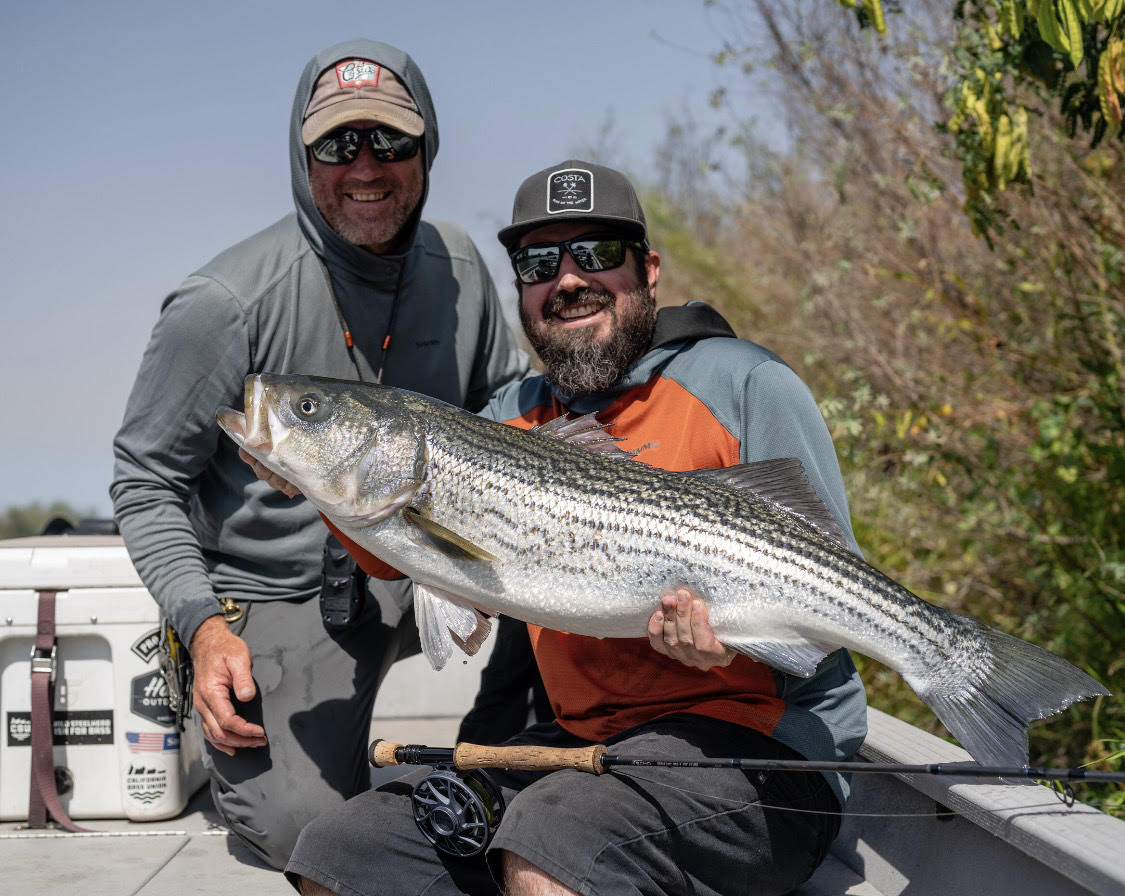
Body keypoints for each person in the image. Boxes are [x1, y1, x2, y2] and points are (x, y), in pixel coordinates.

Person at [282, 160, 869, 896]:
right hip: (583, 746)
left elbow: (831, 591)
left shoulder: (744, 381)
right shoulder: (506, 418)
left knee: (554, 842)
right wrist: (318, 477)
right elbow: (419, 568)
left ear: (647, 269)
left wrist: (730, 645)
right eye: (536, 262)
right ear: (520, 288)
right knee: (340, 853)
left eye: (596, 254)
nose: (566, 279)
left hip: (763, 747)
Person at [109, 39, 527, 870]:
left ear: (427, 147)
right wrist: (204, 629)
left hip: (436, 563)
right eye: (337, 145)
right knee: (304, 833)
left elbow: (512, 418)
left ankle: (506, 763)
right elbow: (144, 479)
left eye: (391, 142)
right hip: (285, 597)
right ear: (302, 159)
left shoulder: (462, 269)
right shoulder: (222, 304)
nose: (365, 167)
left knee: (579, 599)